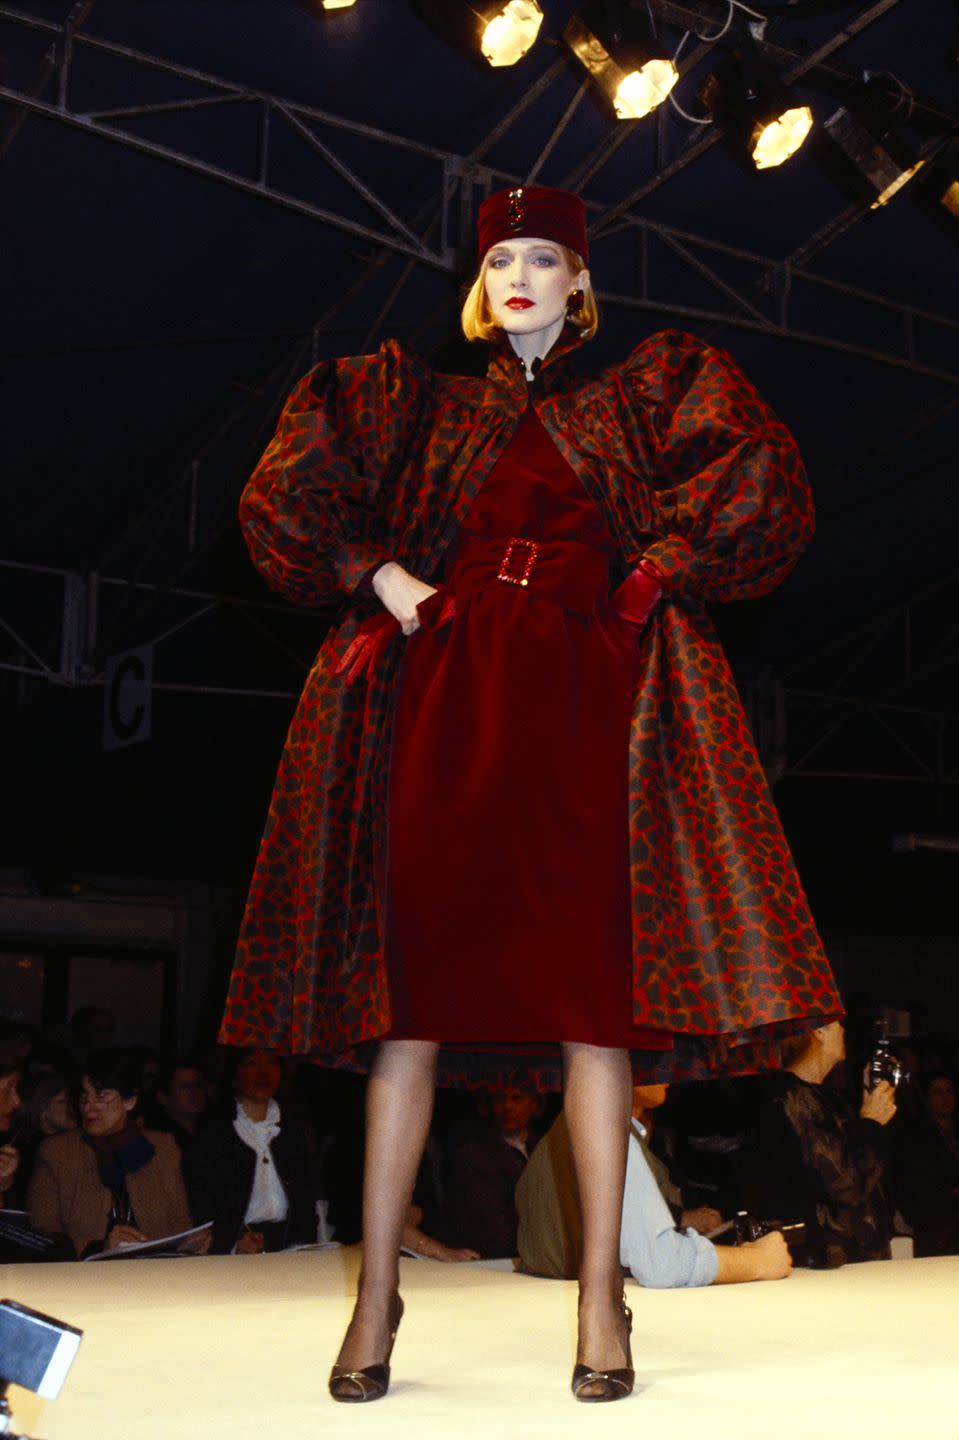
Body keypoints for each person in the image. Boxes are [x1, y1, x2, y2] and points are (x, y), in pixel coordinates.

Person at [219, 183, 842, 1402]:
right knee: (413, 1001)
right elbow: (283, 498)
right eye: (499, 256)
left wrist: (653, 569)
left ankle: (603, 1299)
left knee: (590, 1006)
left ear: (577, 284)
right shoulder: (415, 403)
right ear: (480, 281)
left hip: (589, 701)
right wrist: (385, 577)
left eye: (541, 258)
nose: (517, 274)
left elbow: (760, 480)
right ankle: (376, 1294)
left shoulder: (638, 397)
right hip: (445, 697)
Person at [516, 1083, 791, 1288]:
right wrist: (757, 1260)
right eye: (651, 1051)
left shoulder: (559, 1133)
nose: (668, 1068)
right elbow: (662, 1263)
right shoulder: (607, 1132)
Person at [26, 1048, 196, 1258]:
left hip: (154, 1274)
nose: (90, 1106)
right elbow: (43, 1238)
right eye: (84, 1096)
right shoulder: (57, 1152)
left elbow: (180, 1222)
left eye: (101, 1095)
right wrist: (102, 1247)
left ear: (130, 1101)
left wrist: (192, 1243)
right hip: (84, 1279)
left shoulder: (163, 1147)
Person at [754, 1021, 896, 1266]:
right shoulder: (792, 1097)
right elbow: (846, 1185)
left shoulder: (826, 1096)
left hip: (850, 1254)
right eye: (837, 1023)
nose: (843, 1029)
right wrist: (870, 1124)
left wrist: (869, 1109)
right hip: (826, 1258)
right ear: (818, 1030)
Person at [198, 1048, 322, 1254]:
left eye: (272, 1063)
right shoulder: (213, 1134)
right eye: (252, 1064)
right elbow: (202, 1203)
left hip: (291, 1248)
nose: (263, 1073)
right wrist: (231, 1242)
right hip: (236, 1249)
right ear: (234, 1074)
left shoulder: (296, 1131)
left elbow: (309, 1199)